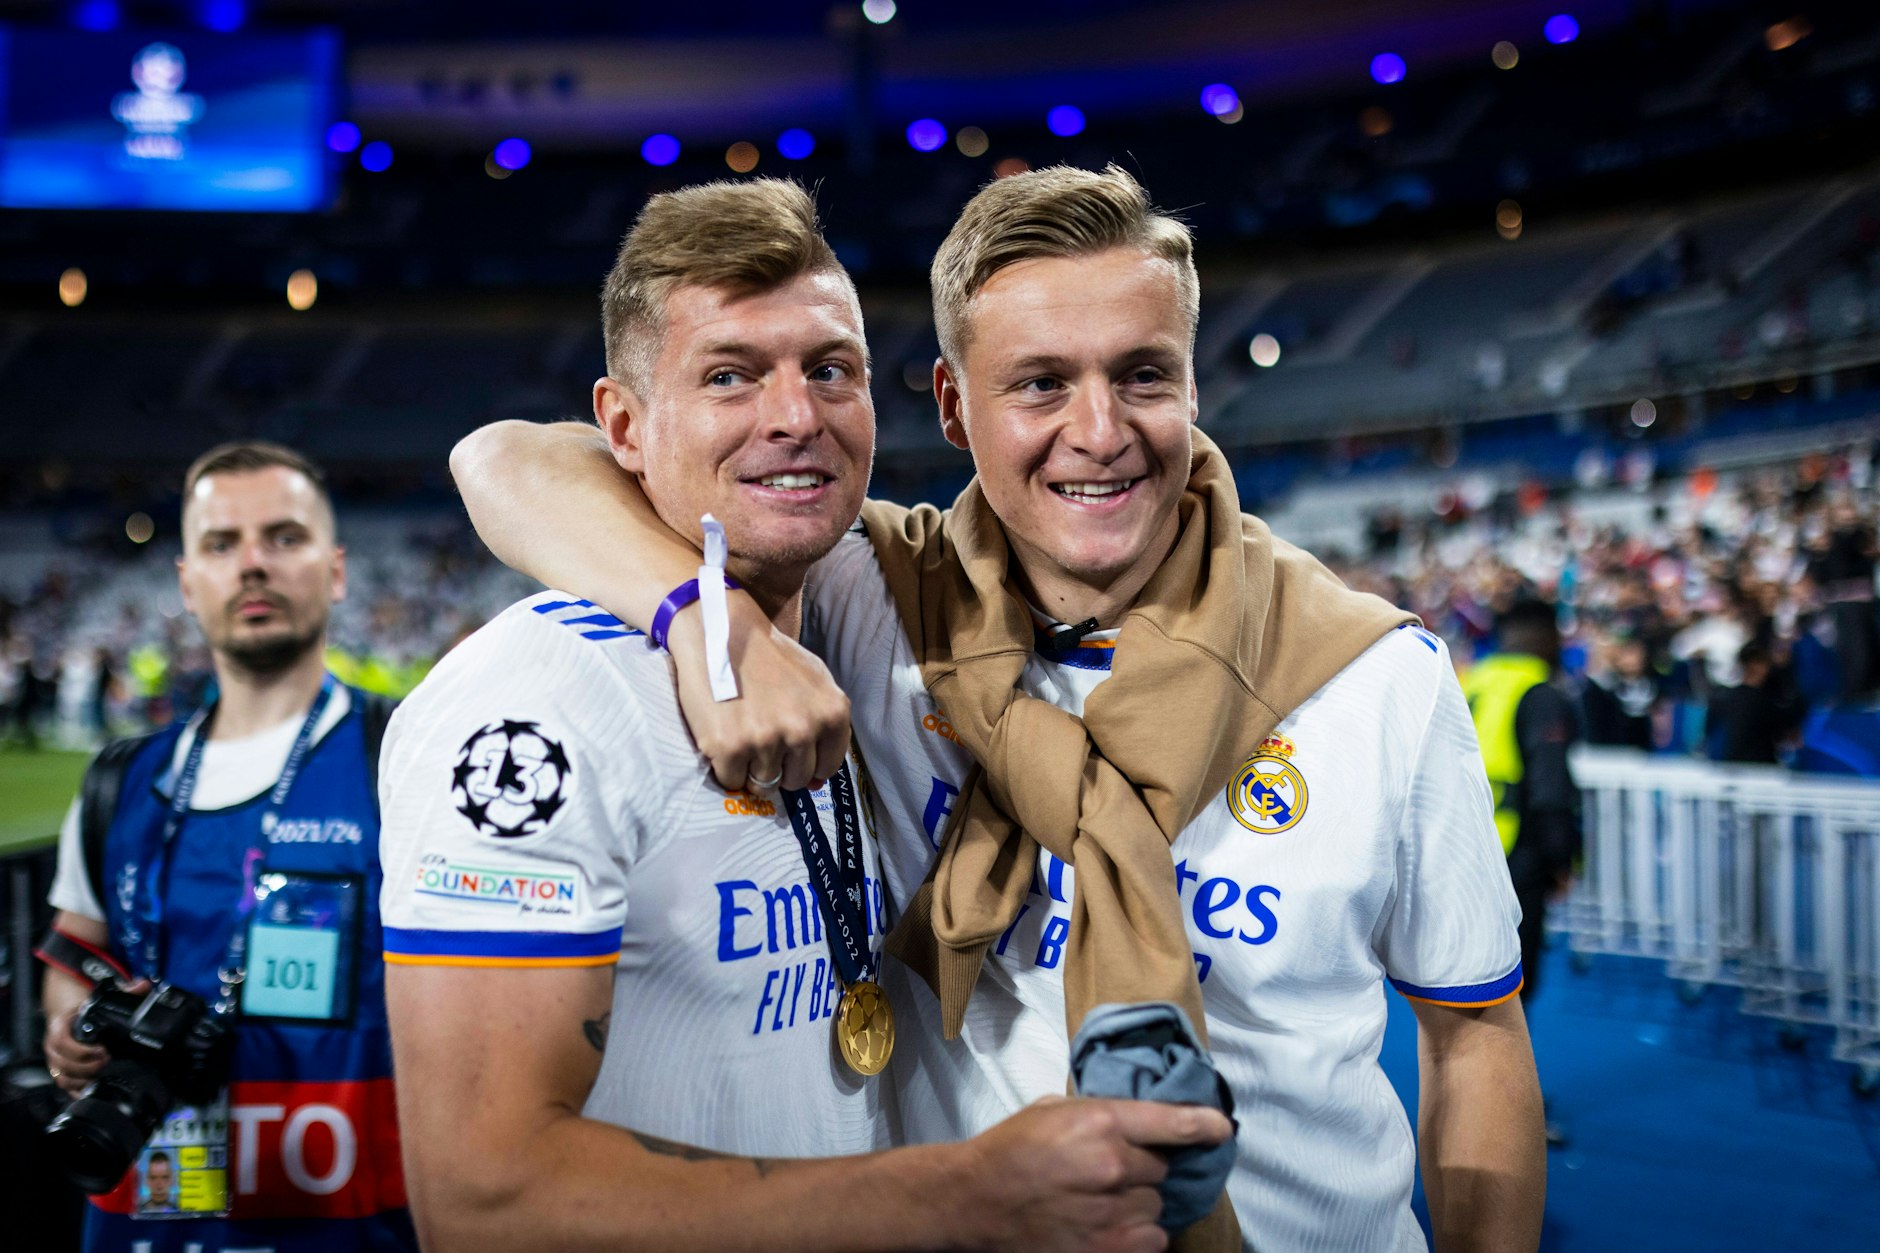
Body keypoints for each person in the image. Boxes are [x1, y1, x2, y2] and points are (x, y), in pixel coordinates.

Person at [453, 164, 1547, 1252]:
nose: (1099, 430)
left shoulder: (1373, 676)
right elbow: (508, 459)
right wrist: (705, 617)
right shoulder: (877, 596)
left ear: (1190, 390)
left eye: (1143, 375)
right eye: (1039, 384)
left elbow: (1474, 1035)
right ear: (951, 405)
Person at [376, 177, 1230, 1253]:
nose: (796, 416)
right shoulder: (534, 707)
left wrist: (725, 617)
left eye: (830, 369)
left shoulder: (857, 603)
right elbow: (481, 1200)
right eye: (729, 375)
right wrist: (961, 1198)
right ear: (624, 425)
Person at [35, 441, 413, 1253]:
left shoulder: (405, 754)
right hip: (144, 1218)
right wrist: (70, 1029)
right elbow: (72, 952)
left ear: (336, 570)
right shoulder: (121, 780)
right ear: (186, 581)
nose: (252, 564)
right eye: (221, 542)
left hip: (345, 1221)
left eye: (284, 537)